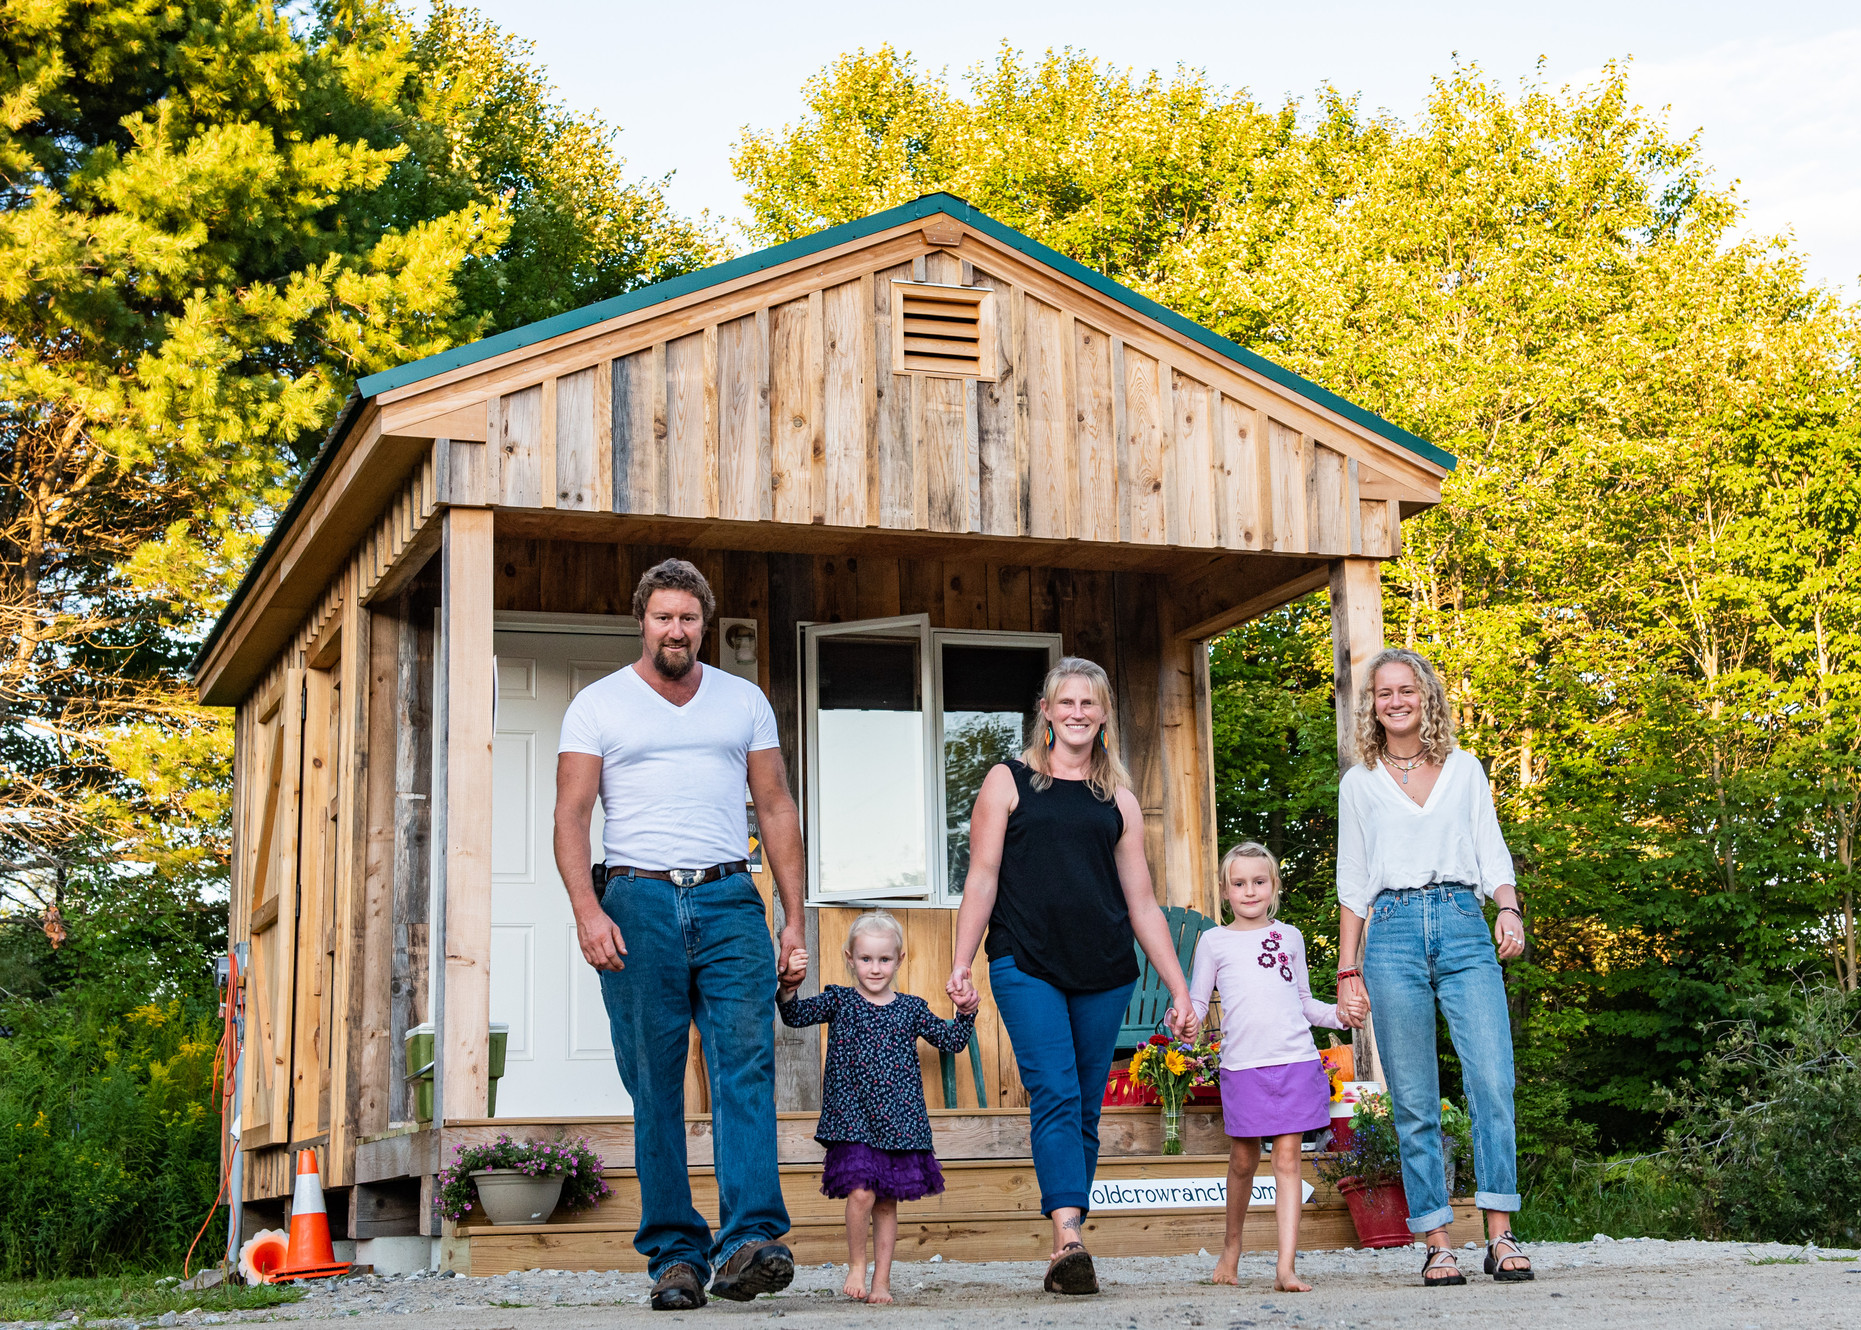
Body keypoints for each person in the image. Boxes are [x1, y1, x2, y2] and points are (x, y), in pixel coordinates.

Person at [553, 558, 808, 1311]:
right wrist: (585, 912)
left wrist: (792, 918)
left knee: (744, 1069)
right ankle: (674, 1256)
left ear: (704, 622)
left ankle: (748, 1243)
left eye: (688, 618)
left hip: (731, 898)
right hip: (635, 903)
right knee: (654, 1084)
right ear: (643, 620)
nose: (676, 630)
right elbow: (571, 817)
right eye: (663, 617)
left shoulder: (744, 701)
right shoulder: (598, 706)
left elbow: (776, 807)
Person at [945, 657, 1198, 1297]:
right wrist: (960, 961)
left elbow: (1141, 903)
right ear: (1048, 712)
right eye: (1066, 703)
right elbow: (982, 876)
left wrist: (1180, 987)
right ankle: (1068, 1237)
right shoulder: (1009, 781)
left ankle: (1069, 1239)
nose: (1078, 713)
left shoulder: (1119, 800)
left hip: (1105, 970)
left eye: (1090, 704)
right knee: (1054, 1091)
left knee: (1086, 1105)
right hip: (1024, 961)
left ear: (1105, 714)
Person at [1333, 647, 1535, 1286]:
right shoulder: (1359, 782)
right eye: (1383, 692)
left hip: (1461, 924)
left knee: (1492, 1081)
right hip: (1390, 934)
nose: (1395, 701)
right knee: (1415, 1098)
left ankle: (1500, 1235)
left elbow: (1491, 851)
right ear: (1373, 704)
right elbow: (1353, 880)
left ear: (1427, 698)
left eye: (1407, 691)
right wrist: (1347, 969)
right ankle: (1437, 1240)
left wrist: (1508, 910)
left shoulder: (1466, 769)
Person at [776, 911, 979, 1305]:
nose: (875, 967)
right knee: (862, 1194)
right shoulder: (840, 1000)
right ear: (850, 959)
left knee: (886, 1202)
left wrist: (966, 1011)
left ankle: (882, 1282)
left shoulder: (911, 1008)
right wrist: (788, 988)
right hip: (852, 1116)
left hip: (899, 1121)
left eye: (884, 959)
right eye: (866, 958)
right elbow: (795, 1015)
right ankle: (856, 1265)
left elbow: (952, 1041)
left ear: (899, 960)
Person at [1192, 842, 1360, 1293]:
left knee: (1287, 1159)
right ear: (1225, 891)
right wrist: (1183, 1019)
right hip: (1243, 1067)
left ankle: (1286, 1268)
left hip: (1296, 1061)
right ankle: (1232, 1249)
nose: (1250, 891)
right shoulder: (1213, 941)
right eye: (1240, 883)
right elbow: (1195, 1002)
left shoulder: (1290, 937)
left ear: (1274, 887)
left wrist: (1341, 1015)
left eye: (1259, 882)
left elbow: (1305, 1003)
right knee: (1244, 1160)